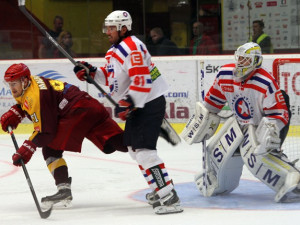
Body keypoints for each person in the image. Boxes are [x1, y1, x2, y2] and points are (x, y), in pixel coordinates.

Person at [73, 10, 183, 215]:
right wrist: (91, 72)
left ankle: (169, 196)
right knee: (134, 150)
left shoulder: (132, 47)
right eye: (106, 27)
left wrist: (129, 102)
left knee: (145, 153)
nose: (107, 32)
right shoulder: (115, 50)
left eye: (111, 28)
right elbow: (110, 77)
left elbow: (142, 79)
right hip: (139, 105)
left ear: (123, 28)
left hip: (148, 103)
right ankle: (159, 188)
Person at [181, 42, 300, 202]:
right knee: (215, 152)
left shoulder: (265, 82)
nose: (240, 63)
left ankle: (292, 177)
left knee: (258, 158)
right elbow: (213, 104)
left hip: (260, 128)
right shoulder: (225, 74)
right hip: (239, 124)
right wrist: (202, 118)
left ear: (256, 62)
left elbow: (281, 114)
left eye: (246, 60)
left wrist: (270, 132)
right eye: (240, 58)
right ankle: (216, 180)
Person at [0, 63, 128, 207]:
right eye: (9, 84)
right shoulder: (31, 83)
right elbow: (29, 103)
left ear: (24, 81)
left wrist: (28, 146)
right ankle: (146, 137)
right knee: (123, 143)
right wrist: (17, 112)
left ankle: (64, 191)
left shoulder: (34, 96)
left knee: (50, 149)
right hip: (90, 106)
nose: (11, 88)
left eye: (14, 84)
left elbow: (46, 132)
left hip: (76, 112)